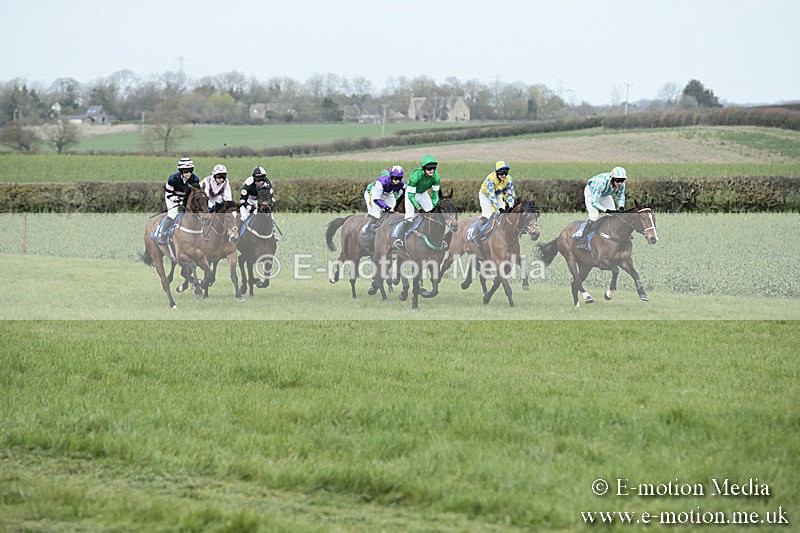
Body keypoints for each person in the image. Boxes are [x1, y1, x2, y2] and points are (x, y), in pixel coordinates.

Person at [393, 156, 441, 248]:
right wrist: (419, 208)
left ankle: (433, 237)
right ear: (423, 168)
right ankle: (399, 239)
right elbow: (411, 196)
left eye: (434, 168)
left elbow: (435, 195)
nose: (432, 170)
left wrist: (434, 206)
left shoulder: (436, 177)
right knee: (409, 218)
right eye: (429, 168)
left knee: (432, 215)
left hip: (423, 194)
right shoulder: (416, 176)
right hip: (411, 194)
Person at [576, 166, 627, 250]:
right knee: (594, 215)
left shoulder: (622, 185)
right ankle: (582, 240)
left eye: (622, 180)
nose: (620, 183)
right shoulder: (601, 183)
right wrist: (606, 210)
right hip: (592, 193)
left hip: (605, 194)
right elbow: (594, 202)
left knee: (614, 215)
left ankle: (615, 235)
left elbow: (620, 196)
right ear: (612, 179)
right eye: (618, 180)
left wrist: (621, 207)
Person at [158, 157, 200, 244]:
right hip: (172, 197)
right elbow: (169, 193)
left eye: (190, 171)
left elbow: (194, 194)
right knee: (173, 215)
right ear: (181, 171)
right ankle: (163, 235)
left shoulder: (195, 179)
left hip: (185, 198)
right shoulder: (173, 178)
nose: (188, 174)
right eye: (186, 171)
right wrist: (176, 200)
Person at [471, 160, 516, 242]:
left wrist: (511, 206)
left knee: (503, 214)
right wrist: (499, 208)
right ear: (496, 172)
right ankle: (475, 234)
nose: (503, 175)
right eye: (501, 173)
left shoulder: (509, 180)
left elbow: (510, 194)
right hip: (486, 195)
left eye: (506, 173)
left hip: (498, 193)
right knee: (487, 215)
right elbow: (491, 198)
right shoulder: (490, 180)